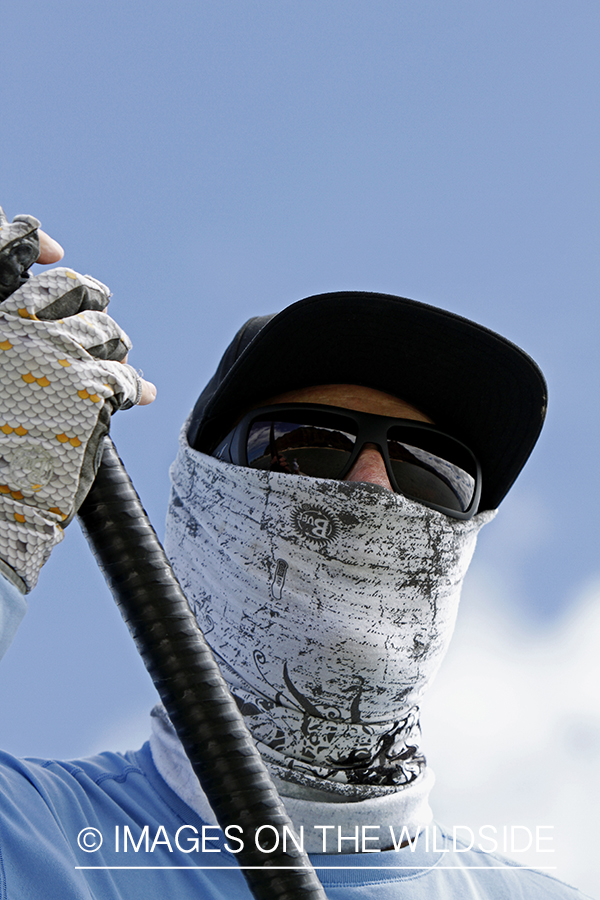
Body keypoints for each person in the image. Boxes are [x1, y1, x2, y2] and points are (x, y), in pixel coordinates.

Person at [0, 210, 592, 899]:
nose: (372, 490)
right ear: (194, 508)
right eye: (304, 444)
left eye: (433, 470)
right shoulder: (28, 840)